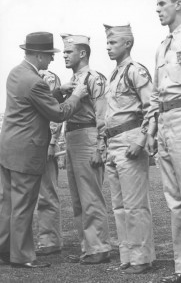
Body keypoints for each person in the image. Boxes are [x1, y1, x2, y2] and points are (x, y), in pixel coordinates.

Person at [0, 31, 87, 268]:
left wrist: (58, 92)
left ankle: (5, 251)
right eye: (48, 56)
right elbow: (57, 113)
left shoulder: (16, 73)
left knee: (7, 204)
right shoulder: (35, 81)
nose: (51, 60)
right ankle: (22, 257)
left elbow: (33, 101)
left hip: (9, 148)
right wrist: (77, 95)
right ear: (38, 55)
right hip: (26, 152)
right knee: (23, 206)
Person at [147, 0, 181, 283]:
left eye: (162, 3)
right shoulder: (162, 46)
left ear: (179, 4)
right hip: (164, 122)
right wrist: (150, 128)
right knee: (174, 201)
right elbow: (155, 94)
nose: (158, 8)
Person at [103, 23, 155, 274]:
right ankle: (128, 255)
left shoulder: (136, 70)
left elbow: (151, 107)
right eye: (108, 43)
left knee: (135, 205)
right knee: (119, 206)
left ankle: (142, 258)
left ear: (128, 44)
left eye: (113, 43)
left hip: (130, 140)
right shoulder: (114, 75)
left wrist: (141, 140)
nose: (108, 47)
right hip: (113, 144)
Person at [58, 33, 111, 264]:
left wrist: (100, 145)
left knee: (91, 195)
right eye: (64, 51)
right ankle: (87, 247)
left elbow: (103, 115)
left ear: (82, 53)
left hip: (88, 135)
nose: (64, 55)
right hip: (72, 136)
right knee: (78, 198)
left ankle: (99, 247)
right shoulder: (69, 81)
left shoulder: (94, 78)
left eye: (69, 51)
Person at [36, 70, 63, 256]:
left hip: (44, 141)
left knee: (46, 193)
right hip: (29, 141)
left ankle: (50, 241)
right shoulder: (27, 74)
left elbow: (55, 111)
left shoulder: (48, 77)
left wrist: (52, 141)